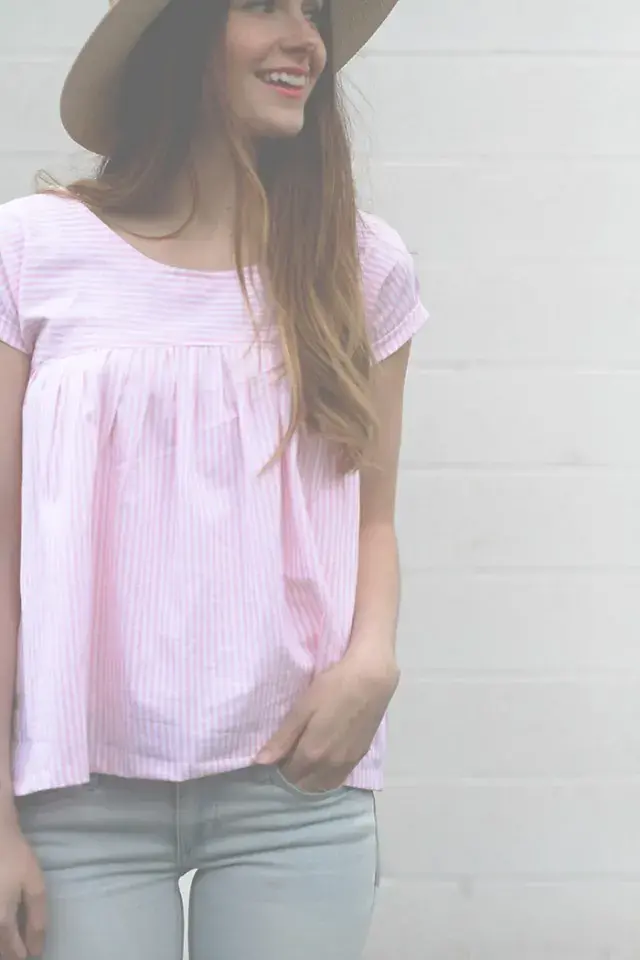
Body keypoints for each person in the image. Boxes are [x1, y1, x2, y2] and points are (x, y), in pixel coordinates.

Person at [0, 0, 428, 957]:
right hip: (74, 794)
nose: (305, 38)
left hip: (295, 785)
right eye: (264, 4)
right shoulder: (30, 251)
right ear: (183, 34)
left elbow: (373, 519)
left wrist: (372, 660)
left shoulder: (361, 266)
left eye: (314, 12)